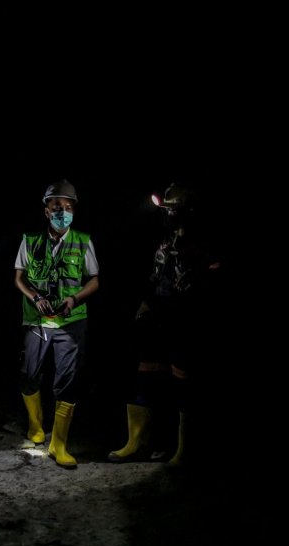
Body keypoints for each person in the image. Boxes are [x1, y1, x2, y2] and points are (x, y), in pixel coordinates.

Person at [108, 183, 220, 466]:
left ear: (189, 211)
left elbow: (213, 287)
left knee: (183, 384)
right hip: (158, 316)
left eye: (174, 209)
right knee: (145, 375)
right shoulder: (165, 240)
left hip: (187, 320)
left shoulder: (205, 244)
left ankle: (184, 450)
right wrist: (146, 302)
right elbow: (155, 275)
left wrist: (195, 312)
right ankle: (138, 442)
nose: (169, 214)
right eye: (167, 208)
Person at [14, 179, 100, 468]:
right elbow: (19, 278)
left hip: (71, 322)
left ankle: (58, 445)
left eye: (67, 207)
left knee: (67, 381)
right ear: (46, 210)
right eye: (56, 206)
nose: (62, 211)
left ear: (74, 209)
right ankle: (35, 430)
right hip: (36, 320)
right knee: (29, 373)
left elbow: (94, 281)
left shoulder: (83, 241)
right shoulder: (29, 240)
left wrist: (74, 299)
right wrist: (36, 297)